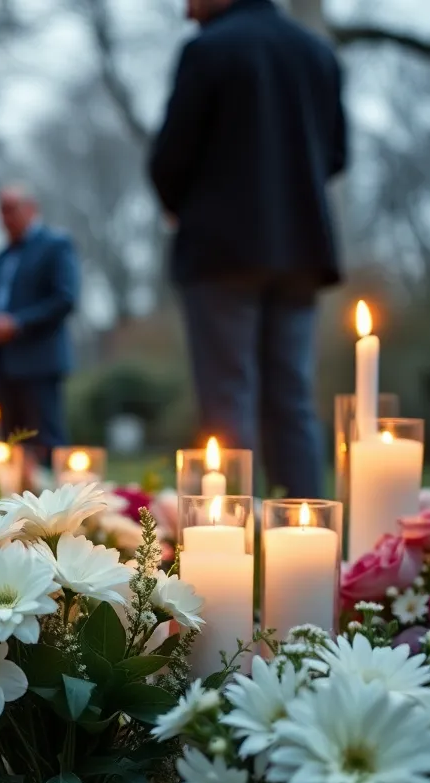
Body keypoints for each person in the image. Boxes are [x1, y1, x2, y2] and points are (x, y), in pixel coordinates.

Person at [149, 0, 347, 498]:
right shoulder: (317, 53)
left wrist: (179, 203)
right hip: (301, 249)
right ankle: (304, 533)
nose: (185, 7)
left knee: (227, 399)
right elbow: (336, 154)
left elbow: (170, 158)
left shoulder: (208, 51)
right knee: (292, 401)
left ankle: (232, 533)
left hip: (221, 252)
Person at [0, 185, 80, 465]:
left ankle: (56, 494)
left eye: (11, 209)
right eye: (1, 211)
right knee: (10, 445)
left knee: (47, 443)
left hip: (38, 362)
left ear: (31, 209)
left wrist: (16, 324)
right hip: (1, 363)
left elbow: (64, 299)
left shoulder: (55, 246)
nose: (5, 217)